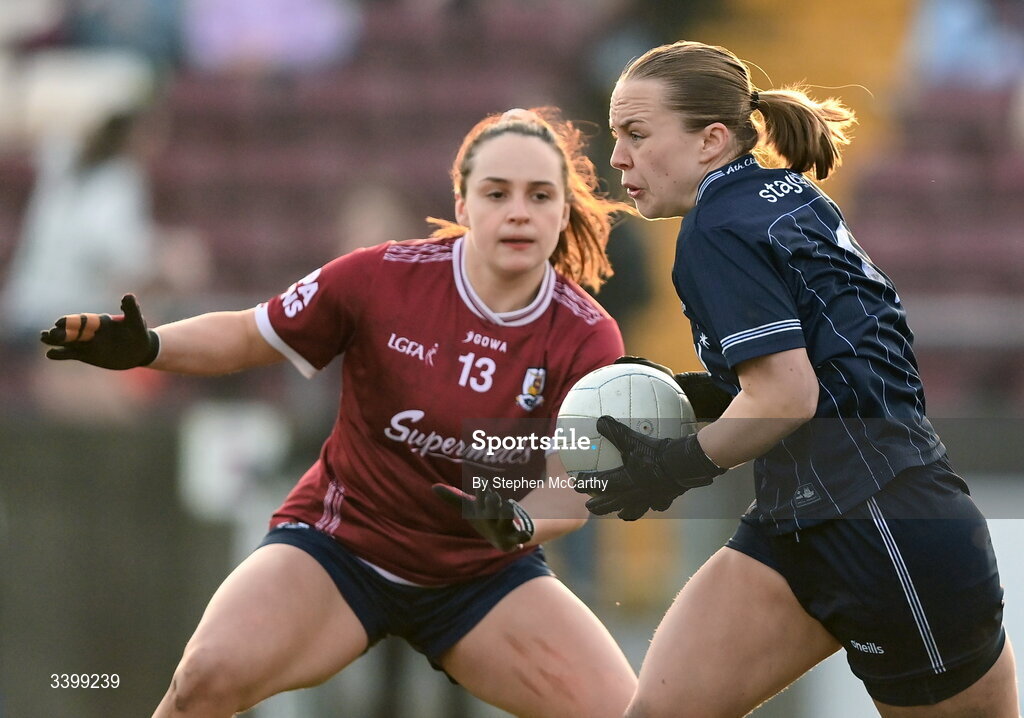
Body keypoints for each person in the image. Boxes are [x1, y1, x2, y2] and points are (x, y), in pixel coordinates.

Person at [40, 107, 638, 717]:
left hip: (482, 577)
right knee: (204, 679)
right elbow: (250, 335)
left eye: (540, 196)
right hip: (342, 549)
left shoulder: (589, 336)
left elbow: (573, 489)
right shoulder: (379, 278)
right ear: (462, 205)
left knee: (625, 712)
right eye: (496, 192)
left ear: (564, 211)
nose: (519, 211)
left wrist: (517, 521)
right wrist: (150, 347)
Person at [576, 40, 1019, 718]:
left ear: (710, 141)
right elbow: (827, 365)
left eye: (637, 133)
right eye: (616, 136)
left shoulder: (714, 229)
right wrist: (706, 390)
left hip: (884, 529)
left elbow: (787, 395)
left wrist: (674, 465)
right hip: (805, 520)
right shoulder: (779, 194)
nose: (618, 158)